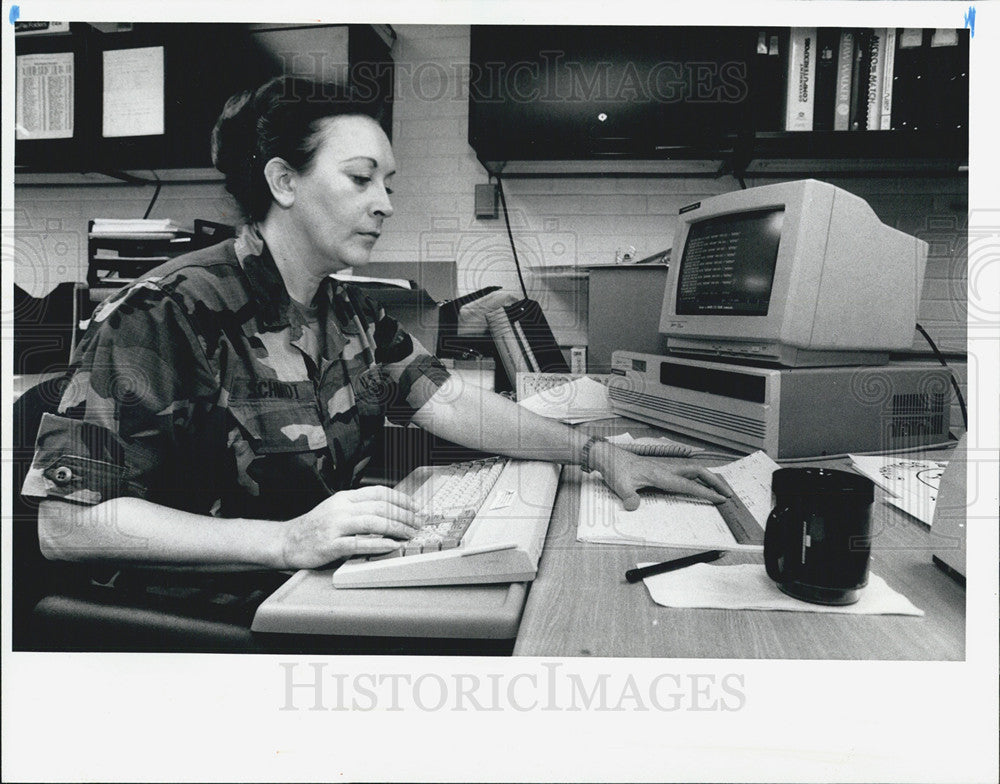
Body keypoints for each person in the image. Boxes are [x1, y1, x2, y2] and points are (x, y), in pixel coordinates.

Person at [23, 76, 729, 572]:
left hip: (315, 582)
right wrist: (284, 542)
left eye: (388, 182)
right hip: (209, 618)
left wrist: (595, 454)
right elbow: (68, 525)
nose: (386, 202)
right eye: (362, 179)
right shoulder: (166, 310)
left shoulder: (345, 308)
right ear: (283, 182)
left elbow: (448, 401)